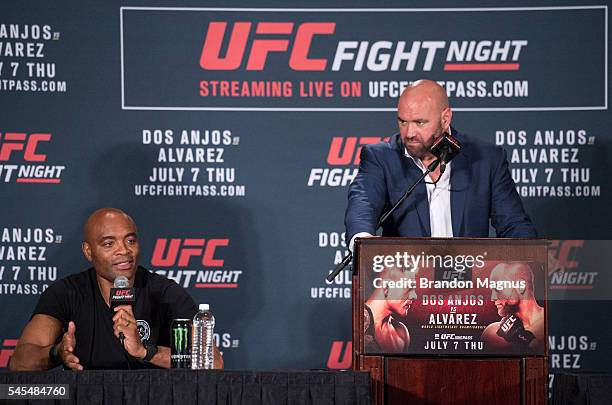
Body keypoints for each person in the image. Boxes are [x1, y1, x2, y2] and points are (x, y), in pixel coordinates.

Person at [10, 208, 223, 370]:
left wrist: (146, 351)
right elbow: (19, 361)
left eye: (130, 240)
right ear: (88, 251)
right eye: (109, 244)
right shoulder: (66, 293)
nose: (124, 250)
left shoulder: (164, 292)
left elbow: (212, 361)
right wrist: (57, 352)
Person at [345, 80, 537, 249]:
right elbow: (363, 204)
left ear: (445, 119)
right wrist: (363, 243)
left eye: (419, 123)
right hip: (407, 283)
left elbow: (514, 224)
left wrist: (526, 260)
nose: (409, 133)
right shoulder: (381, 157)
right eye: (403, 122)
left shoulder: (486, 159)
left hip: (471, 284)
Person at [481, 262, 545, 352]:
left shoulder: (551, 322)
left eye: (498, 288)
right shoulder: (492, 333)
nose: (493, 298)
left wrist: (523, 338)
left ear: (520, 287)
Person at [364, 265, 417, 353]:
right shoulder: (358, 323)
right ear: (386, 287)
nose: (414, 296)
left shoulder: (401, 332)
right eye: (409, 288)